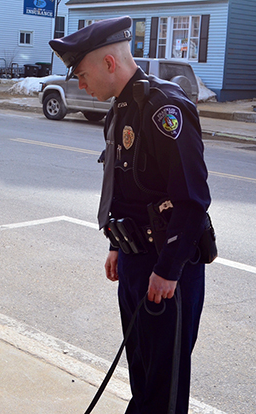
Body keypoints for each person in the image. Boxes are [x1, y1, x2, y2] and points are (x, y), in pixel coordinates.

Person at [50, 17, 211, 414]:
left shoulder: (163, 109)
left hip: (166, 267)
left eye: (82, 73)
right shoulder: (121, 109)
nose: (79, 83)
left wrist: (169, 269)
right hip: (137, 261)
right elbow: (125, 188)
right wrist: (116, 246)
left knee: (163, 387)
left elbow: (191, 201)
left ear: (108, 63)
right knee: (141, 369)